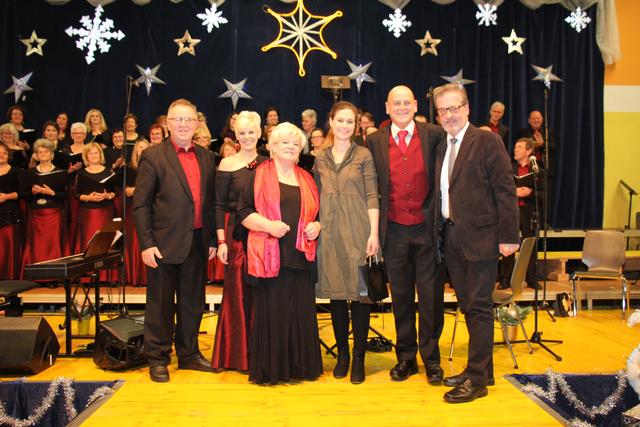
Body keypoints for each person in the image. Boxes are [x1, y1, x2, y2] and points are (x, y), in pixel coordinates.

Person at [432, 83, 519, 403]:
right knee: (469, 306)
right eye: (443, 110)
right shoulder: (442, 145)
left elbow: (505, 190)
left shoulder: (486, 140)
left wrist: (509, 237)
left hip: (483, 238)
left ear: (467, 109)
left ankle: (478, 379)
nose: (449, 115)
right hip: (453, 238)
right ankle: (482, 369)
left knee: (479, 308)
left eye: (455, 108)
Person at [133, 98, 217, 383]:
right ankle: (157, 357)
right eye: (177, 119)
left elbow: (210, 203)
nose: (183, 124)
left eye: (188, 119)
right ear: (167, 123)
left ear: (197, 124)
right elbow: (141, 205)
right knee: (160, 304)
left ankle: (189, 354)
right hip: (162, 244)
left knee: (193, 302)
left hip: (196, 241)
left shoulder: (207, 156)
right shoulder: (153, 156)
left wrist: (213, 240)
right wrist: (146, 244)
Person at [367, 85, 446, 385]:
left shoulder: (434, 135)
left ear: (415, 105)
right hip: (394, 231)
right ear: (387, 108)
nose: (401, 107)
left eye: (406, 103)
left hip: (427, 231)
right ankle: (406, 358)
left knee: (430, 298)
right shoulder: (374, 141)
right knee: (400, 297)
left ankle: (432, 359)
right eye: (395, 103)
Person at [238, 122, 323, 385]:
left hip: (300, 257)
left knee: (300, 312)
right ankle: (273, 370)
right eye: (284, 142)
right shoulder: (257, 175)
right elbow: (242, 213)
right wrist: (269, 226)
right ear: (272, 146)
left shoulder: (307, 178)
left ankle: (300, 368)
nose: (290, 147)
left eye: (295, 143)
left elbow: (317, 215)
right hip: (269, 256)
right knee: (273, 313)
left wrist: (317, 226)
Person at [313, 101, 379, 384]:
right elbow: (314, 196)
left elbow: (372, 196)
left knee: (360, 296)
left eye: (350, 122)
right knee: (337, 295)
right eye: (340, 120)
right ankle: (343, 356)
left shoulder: (363, 154)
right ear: (331, 121)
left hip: (359, 231)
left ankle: (360, 358)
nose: (344, 126)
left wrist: (374, 233)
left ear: (356, 125)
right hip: (329, 233)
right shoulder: (318, 157)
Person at [211, 111, 268, 372]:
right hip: (235, 238)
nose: (247, 137)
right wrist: (221, 241)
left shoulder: (270, 164)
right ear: (236, 136)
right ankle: (236, 356)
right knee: (236, 293)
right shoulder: (226, 165)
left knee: (262, 295)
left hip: (264, 235)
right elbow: (219, 205)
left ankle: (260, 353)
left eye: (251, 132)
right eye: (242, 133)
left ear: (259, 134)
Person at [498, 137, 542, 290]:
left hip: (528, 212)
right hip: (511, 212)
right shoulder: (509, 168)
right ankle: (505, 279)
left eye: (519, 147)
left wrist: (529, 193)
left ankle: (532, 278)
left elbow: (545, 195)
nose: (515, 150)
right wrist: (514, 192)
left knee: (530, 244)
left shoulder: (537, 170)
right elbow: (500, 188)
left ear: (529, 151)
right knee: (509, 243)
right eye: (515, 147)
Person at [21, 139, 69, 271]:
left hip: (54, 214)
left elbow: (65, 196)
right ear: (36, 155)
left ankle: (54, 274)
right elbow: (23, 194)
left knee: (52, 244)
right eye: (39, 152)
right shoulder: (30, 173)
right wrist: (33, 192)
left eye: (46, 152)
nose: (42, 154)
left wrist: (51, 192)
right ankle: (37, 274)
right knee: (37, 245)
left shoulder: (60, 172)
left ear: (52, 155)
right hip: (36, 214)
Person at [74, 142, 116, 255]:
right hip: (88, 214)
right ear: (86, 156)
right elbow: (77, 194)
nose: (94, 155)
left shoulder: (109, 171)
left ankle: (106, 272)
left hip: (106, 212)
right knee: (90, 244)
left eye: (96, 153)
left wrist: (106, 195)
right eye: (91, 153)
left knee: (105, 245)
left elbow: (115, 192)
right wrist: (88, 198)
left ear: (100, 154)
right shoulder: (81, 172)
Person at [123, 139, 150, 286]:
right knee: (134, 243)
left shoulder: (154, 167)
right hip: (134, 210)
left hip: (151, 211)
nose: (143, 150)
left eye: (146, 148)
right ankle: (134, 277)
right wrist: (144, 189)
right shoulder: (130, 169)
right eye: (140, 148)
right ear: (136, 151)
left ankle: (147, 277)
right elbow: (128, 192)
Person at [0, 142, 22, 279]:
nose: (1, 155)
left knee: (8, 245)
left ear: (9, 155)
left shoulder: (16, 171)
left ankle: (9, 276)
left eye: (4, 152)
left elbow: (23, 192)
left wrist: (6, 197)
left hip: (10, 211)